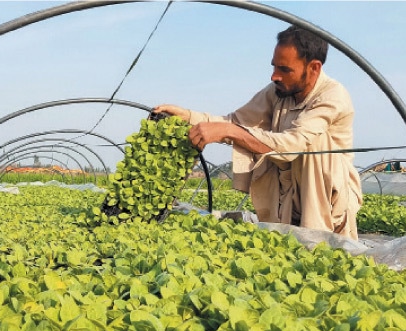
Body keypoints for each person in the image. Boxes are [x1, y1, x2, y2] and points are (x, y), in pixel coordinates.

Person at [154, 25, 363, 239]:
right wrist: (188, 116)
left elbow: (291, 146)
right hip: (287, 198)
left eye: (284, 69)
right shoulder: (279, 91)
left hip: (325, 204)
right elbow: (235, 121)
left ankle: (317, 237)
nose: (274, 76)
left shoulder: (332, 96)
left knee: (315, 145)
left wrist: (231, 131)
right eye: (274, 67)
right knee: (286, 252)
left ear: (314, 68)